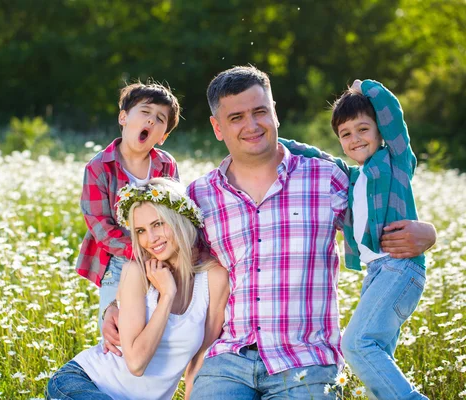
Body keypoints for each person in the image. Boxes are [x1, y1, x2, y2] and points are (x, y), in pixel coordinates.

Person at [103, 65, 436, 398]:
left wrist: (428, 233)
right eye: (236, 118)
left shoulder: (327, 179)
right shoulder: (199, 197)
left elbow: (379, 211)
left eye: (260, 111)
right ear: (217, 128)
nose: (251, 125)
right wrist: (113, 306)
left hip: (306, 359)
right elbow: (158, 255)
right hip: (226, 360)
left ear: (274, 114)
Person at [283, 79, 428, 399]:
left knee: (355, 344)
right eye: (346, 134)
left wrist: (366, 88)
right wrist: (274, 141)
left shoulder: (394, 163)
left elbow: (393, 114)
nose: (355, 139)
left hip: (400, 267)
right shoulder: (351, 177)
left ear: (379, 132)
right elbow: (315, 156)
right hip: (377, 273)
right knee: (376, 355)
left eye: (363, 129)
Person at [47, 178, 229, 400]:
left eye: (158, 224)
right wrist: (166, 296)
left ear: (180, 219)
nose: (150, 239)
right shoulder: (136, 273)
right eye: (140, 230)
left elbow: (200, 358)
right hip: (82, 381)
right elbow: (136, 363)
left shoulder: (214, 278)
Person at [75, 82, 181, 327]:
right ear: (123, 117)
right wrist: (138, 252)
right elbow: (99, 224)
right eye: (145, 112)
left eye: (160, 119)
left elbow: (175, 213)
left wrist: (161, 253)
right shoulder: (99, 167)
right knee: (118, 334)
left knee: (160, 328)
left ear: (163, 136)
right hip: (119, 261)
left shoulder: (166, 166)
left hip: (160, 257)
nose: (151, 120)